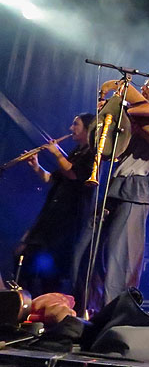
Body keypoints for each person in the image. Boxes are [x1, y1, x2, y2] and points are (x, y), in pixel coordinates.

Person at [73, 77, 149, 313]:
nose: (144, 87)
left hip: (138, 187)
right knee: (91, 250)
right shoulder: (139, 118)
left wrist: (122, 107)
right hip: (118, 184)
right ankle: (91, 308)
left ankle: (118, 312)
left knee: (120, 255)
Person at [15, 113, 95, 295]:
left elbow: (74, 174)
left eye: (76, 124)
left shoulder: (92, 154)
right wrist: (36, 166)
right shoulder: (76, 152)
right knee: (27, 256)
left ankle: (46, 301)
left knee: (51, 268)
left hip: (67, 219)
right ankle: (25, 298)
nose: (71, 128)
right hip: (53, 214)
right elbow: (52, 179)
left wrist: (57, 153)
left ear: (88, 129)